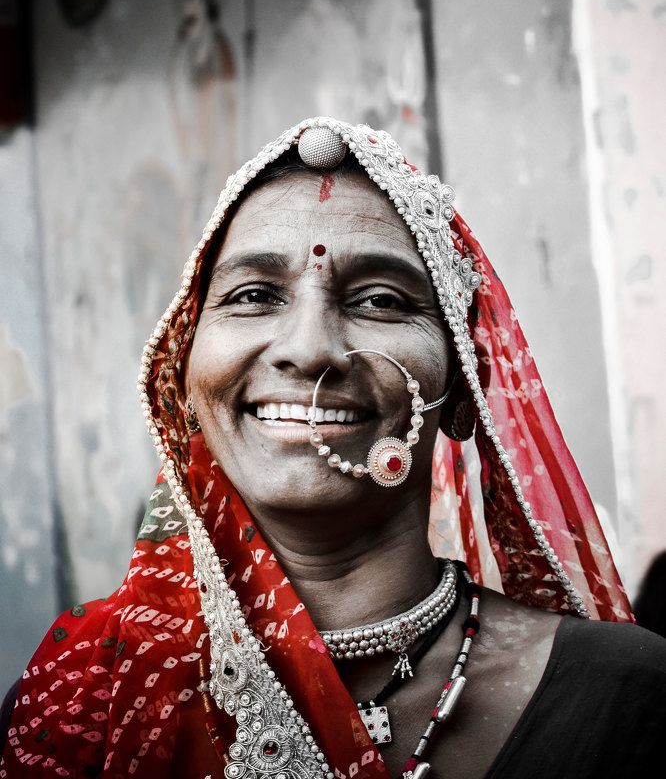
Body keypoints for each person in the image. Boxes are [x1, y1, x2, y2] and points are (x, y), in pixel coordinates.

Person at [2, 118, 666, 779]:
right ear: (183, 377)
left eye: (379, 300)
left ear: (465, 390)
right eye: (255, 296)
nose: (310, 349)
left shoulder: (629, 696)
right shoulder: (82, 697)